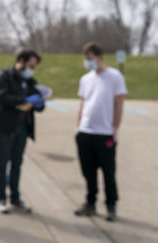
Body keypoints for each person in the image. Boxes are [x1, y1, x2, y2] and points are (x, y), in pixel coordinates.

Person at [0, 50, 45, 214]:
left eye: (35, 67)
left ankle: (15, 198)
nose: (32, 69)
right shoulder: (3, 76)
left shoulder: (30, 81)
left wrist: (40, 104)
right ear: (21, 61)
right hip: (5, 126)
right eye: (31, 65)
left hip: (22, 127)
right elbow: (2, 97)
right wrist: (24, 100)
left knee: (17, 163)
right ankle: (1, 198)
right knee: (3, 161)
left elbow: (38, 98)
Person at [74, 42, 127, 222]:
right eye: (85, 59)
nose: (87, 62)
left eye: (90, 58)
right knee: (88, 171)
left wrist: (115, 128)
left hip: (104, 133)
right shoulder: (85, 79)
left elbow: (119, 104)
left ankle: (111, 205)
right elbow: (83, 104)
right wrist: (78, 126)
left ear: (99, 57)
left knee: (108, 172)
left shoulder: (114, 76)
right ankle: (90, 203)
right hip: (85, 132)